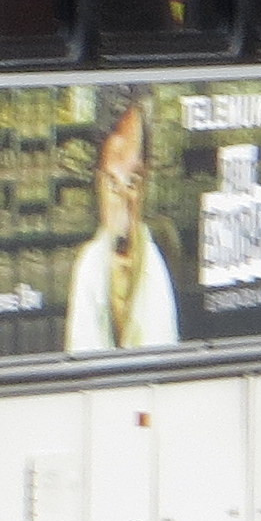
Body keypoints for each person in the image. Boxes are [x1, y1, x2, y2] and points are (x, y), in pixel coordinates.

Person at [66, 100, 179, 351]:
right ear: (99, 184)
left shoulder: (165, 252)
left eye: (132, 181)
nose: (124, 199)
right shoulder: (88, 265)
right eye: (113, 183)